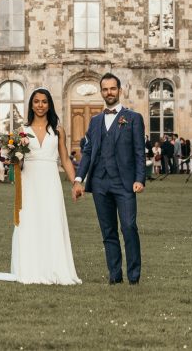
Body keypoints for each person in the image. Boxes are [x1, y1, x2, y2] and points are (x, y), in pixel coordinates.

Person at [0, 87, 81, 285]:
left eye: (44, 101)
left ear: (49, 104)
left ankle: (56, 267)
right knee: (31, 219)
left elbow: (65, 159)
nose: (40, 105)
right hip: (29, 182)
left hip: (51, 180)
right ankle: (31, 267)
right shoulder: (21, 131)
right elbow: (16, 161)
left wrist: (76, 182)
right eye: (36, 101)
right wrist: (15, 156)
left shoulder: (58, 130)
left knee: (52, 219)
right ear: (31, 105)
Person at [73, 72, 145, 285]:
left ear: (119, 90)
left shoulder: (133, 118)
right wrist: (79, 179)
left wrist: (140, 178)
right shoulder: (95, 121)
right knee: (108, 231)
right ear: (102, 92)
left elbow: (139, 152)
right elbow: (87, 151)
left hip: (125, 184)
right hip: (100, 183)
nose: (109, 92)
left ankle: (134, 276)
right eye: (105, 89)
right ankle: (115, 275)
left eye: (112, 89)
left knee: (129, 227)